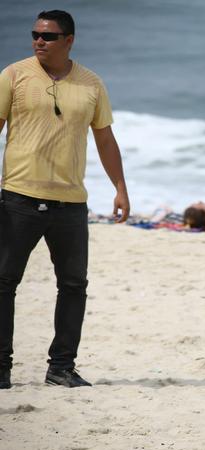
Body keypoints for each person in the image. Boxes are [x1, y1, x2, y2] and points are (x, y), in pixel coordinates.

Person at [0, 10, 130, 389]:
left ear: (69, 40)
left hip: (71, 203)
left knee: (73, 286)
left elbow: (105, 139)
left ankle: (61, 368)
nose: (39, 41)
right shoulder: (13, 76)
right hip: (18, 198)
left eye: (49, 36)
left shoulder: (91, 84)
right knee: (4, 283)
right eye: (36, 34)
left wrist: (120, 187)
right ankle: (1, 369)